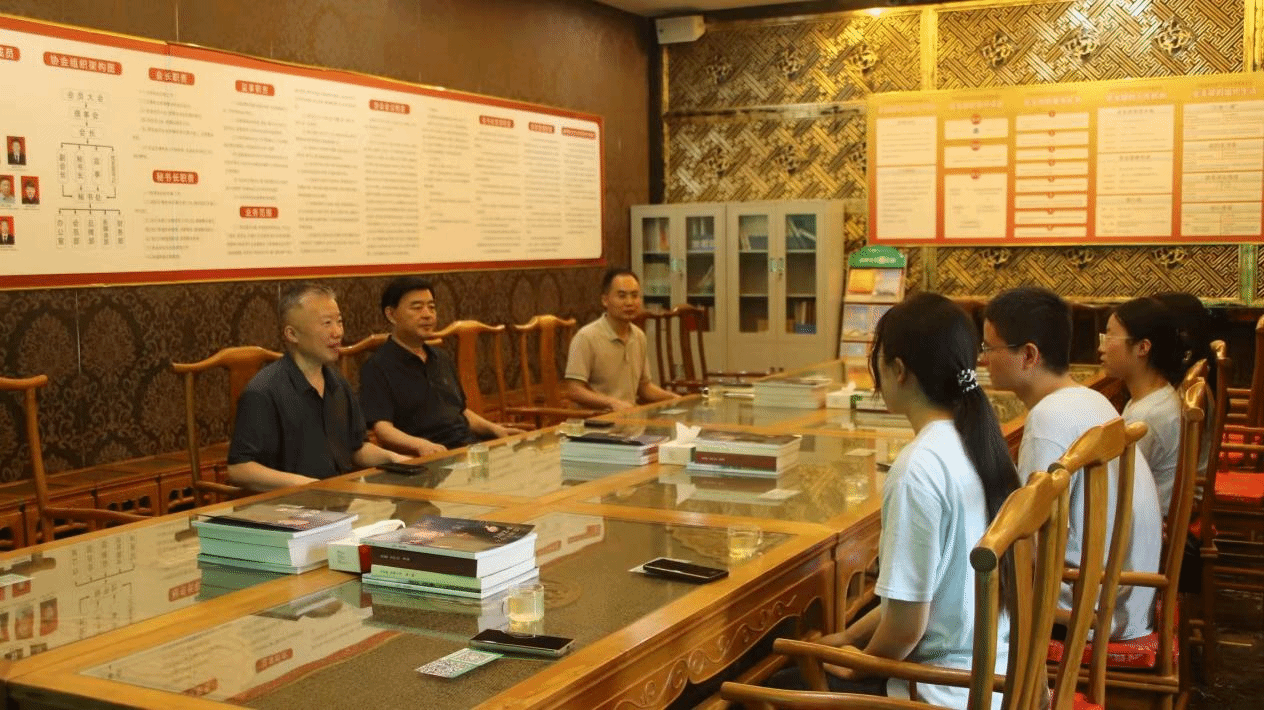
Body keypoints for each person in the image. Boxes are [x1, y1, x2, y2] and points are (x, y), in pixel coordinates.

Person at [768, 293, 1017, 709]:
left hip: (938, 690)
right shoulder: (977, 442)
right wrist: (851, 636)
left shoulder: (918, 468)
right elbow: (912, 594)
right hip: (993, 676)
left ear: (899, 371)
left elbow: (906, 628)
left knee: (765, 687)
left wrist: (860, 665)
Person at [982, 287, 1161, 641]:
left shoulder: (1048, 420)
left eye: (989, 348)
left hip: (1086, 615)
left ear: (1028, 355)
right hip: (1126, 601)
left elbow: (1030, 545)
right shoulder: (1090, 399)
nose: (983, 360)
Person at [227, 284, 406, 491]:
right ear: (292, 334)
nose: (337, 332)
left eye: (339, 322)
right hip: (291, 504)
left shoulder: (337, 382)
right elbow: (239, 469)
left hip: (338, 499)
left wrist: (394, 458)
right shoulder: (263, 392)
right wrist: (307, 485)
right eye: (326, 323)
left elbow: (356, 448)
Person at [360, 276, 524, 456]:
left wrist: (496, 429)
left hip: (468, 449)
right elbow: (383, 429)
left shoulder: (441, 358)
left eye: (431, 307)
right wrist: (420, 445)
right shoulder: (377, 367)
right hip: (427, 458)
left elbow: (460, 411)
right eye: (417, 307)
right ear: (391, 314)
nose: (427, 314)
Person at [1099, 297, 1185, 513]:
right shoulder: (1155, 396)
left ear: (1142, 347)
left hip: (1146, 522)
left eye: (1110, 336)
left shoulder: (1147, 417)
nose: (1101, 347)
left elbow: (1115, 489)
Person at [564, 268, 677, 410]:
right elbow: (574, 390)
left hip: (630, 418)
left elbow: (644, 387)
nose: (629, 303)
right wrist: (611, 402)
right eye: (622, 296)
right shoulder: (585, 337)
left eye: (635, 296)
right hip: (597, 419)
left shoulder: (639, 336)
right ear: (605, 300)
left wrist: (675, 398)